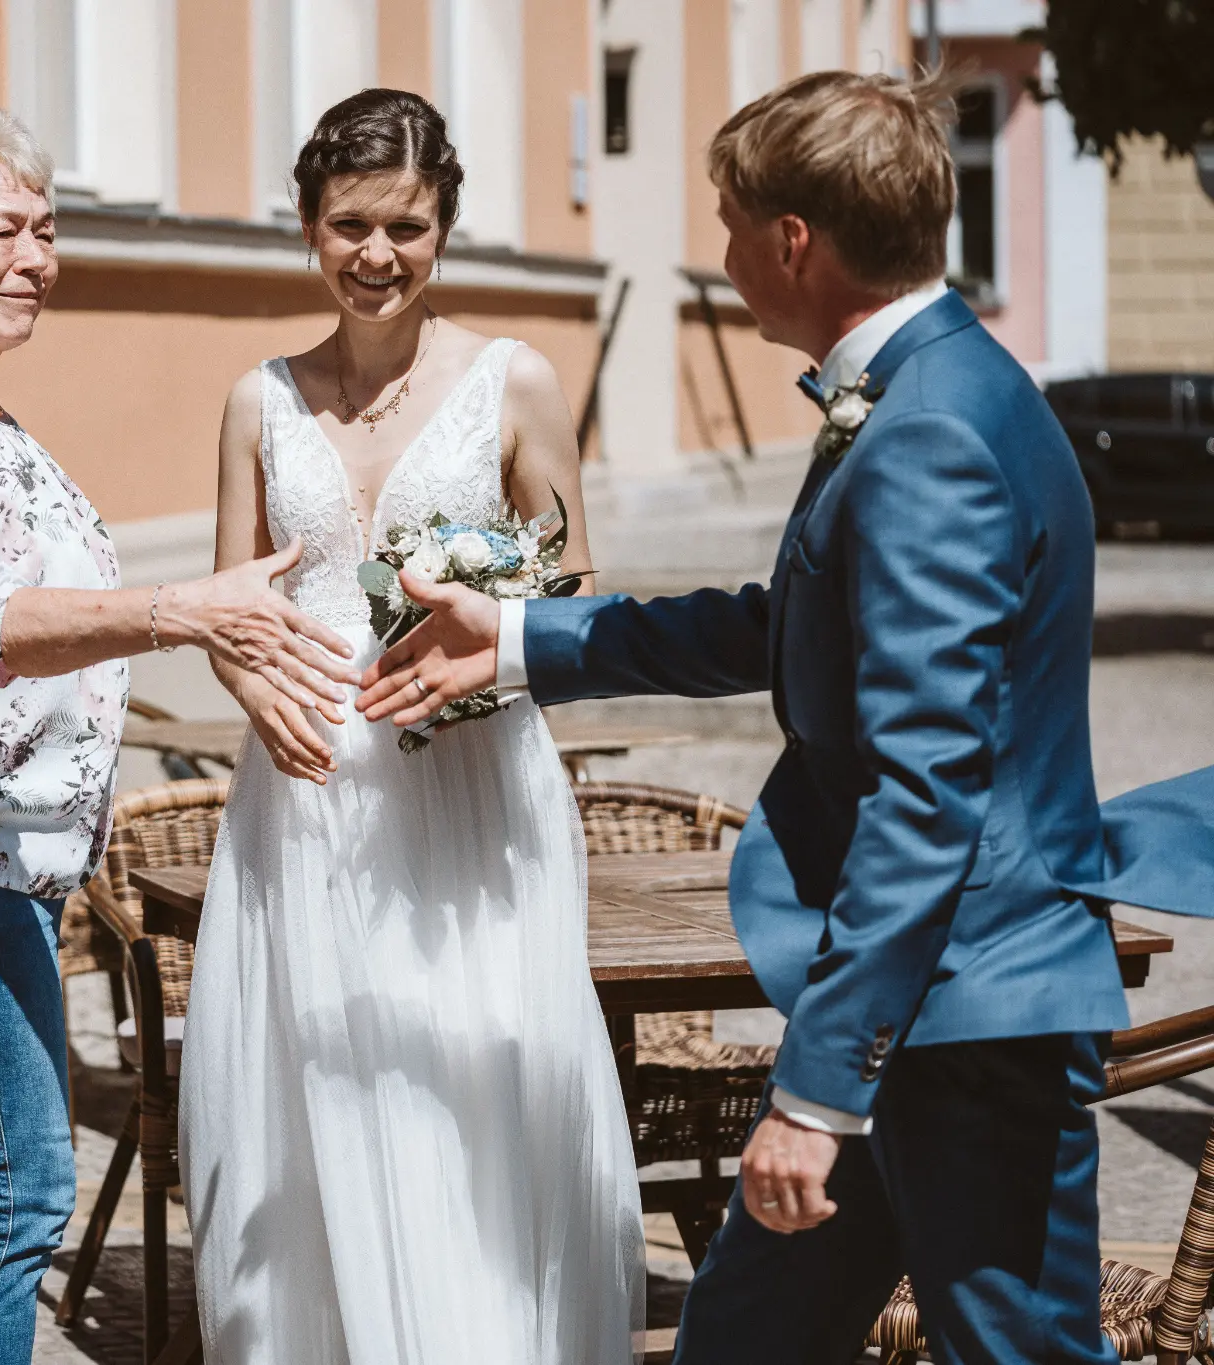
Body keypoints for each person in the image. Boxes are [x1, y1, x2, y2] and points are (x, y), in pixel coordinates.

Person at [357, 70, 1214, 1364]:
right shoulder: (933, 388)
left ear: (793, 241)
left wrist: (817, 1092)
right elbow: (789, 625)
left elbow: (927, 791)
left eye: (728, 223)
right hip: (903, 1004)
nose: (719, 255)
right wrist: (520, 639)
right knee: (743, 1340)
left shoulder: (927, 432)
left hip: (961, 1013)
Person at [0, 103, 357, 1365]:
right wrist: (177, 610)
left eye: (46, 231)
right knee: (17, 1198)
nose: (37, 259)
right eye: (2, 231)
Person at [175, 88, 643, 1363]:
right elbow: (229, 606)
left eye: (405, 226)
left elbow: (572, 590)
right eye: (348, 225)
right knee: (322, 1083)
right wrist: (253, 690)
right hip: (305, 796)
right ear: (306, 226)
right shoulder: (256, 400)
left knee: (466, 1076)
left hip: (470, 786)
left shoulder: (513, 380)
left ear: (444, 226)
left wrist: (478, 660)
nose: (376, 254)